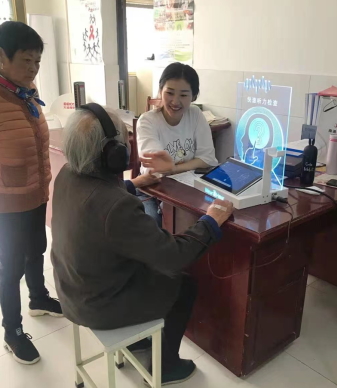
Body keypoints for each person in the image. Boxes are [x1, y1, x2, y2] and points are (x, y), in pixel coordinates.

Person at [51, 104, 233, 385]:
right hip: (100, 306)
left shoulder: (67, 174)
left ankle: (138, 342)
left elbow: (96, 201)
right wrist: (211, 221)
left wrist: (134, 183)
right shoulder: (117, 208)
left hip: (72, 291)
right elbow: (173, 255)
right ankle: (167, 366)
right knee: (183, 284)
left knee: (151, 271)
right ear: (114, 155)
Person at [0, 21, 63, 365]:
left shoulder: (26, 93)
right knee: (9, 269)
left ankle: (38, 297)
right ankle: (12, 331)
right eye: (27, 60)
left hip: (36, 192)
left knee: (37, 248)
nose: (34, 67)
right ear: (2, 58)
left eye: (38, 60)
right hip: (7, 201)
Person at [137, 62, 218, 225]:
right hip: (153, 192)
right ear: (161, 91)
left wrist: (174, 168)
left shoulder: (195, 114)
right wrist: (178, 166)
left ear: (194, 96)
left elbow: (207, 159)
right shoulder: (148, 121)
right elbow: (155, 172)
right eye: (170, 93)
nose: (175, 101)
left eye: (183, 95)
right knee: (153, 227)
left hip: (188, 190)